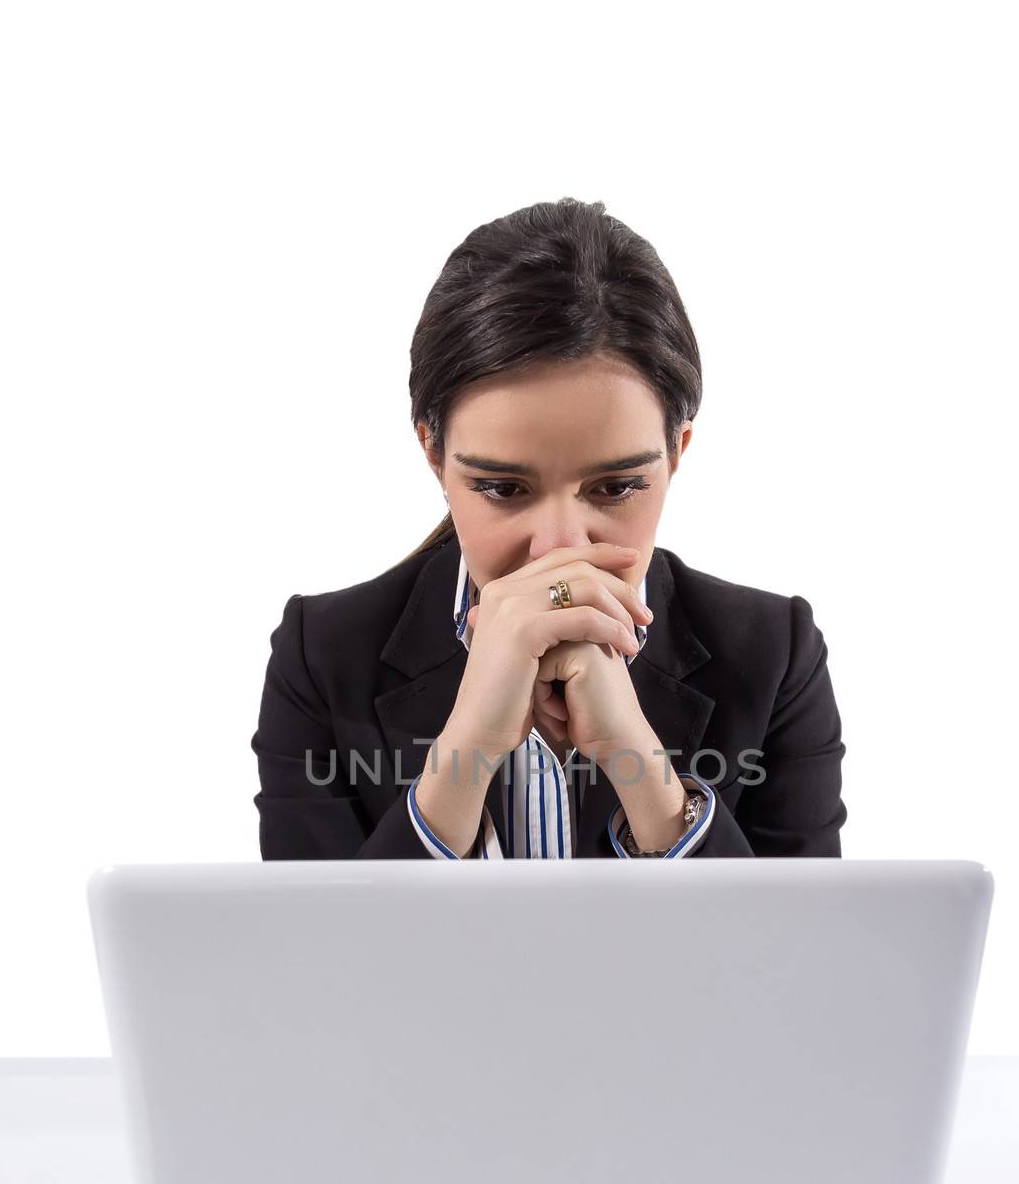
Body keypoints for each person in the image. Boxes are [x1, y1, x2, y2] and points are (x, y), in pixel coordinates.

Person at [251, 197, 847, 861]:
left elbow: (795, 958)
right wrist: (466, 751)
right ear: (433, 454)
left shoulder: (773, 656)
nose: (559, 547)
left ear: (677, 452)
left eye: (616, 487)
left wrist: (639, 766)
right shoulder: (323, 657)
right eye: (503, 489)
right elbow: (320, 959)